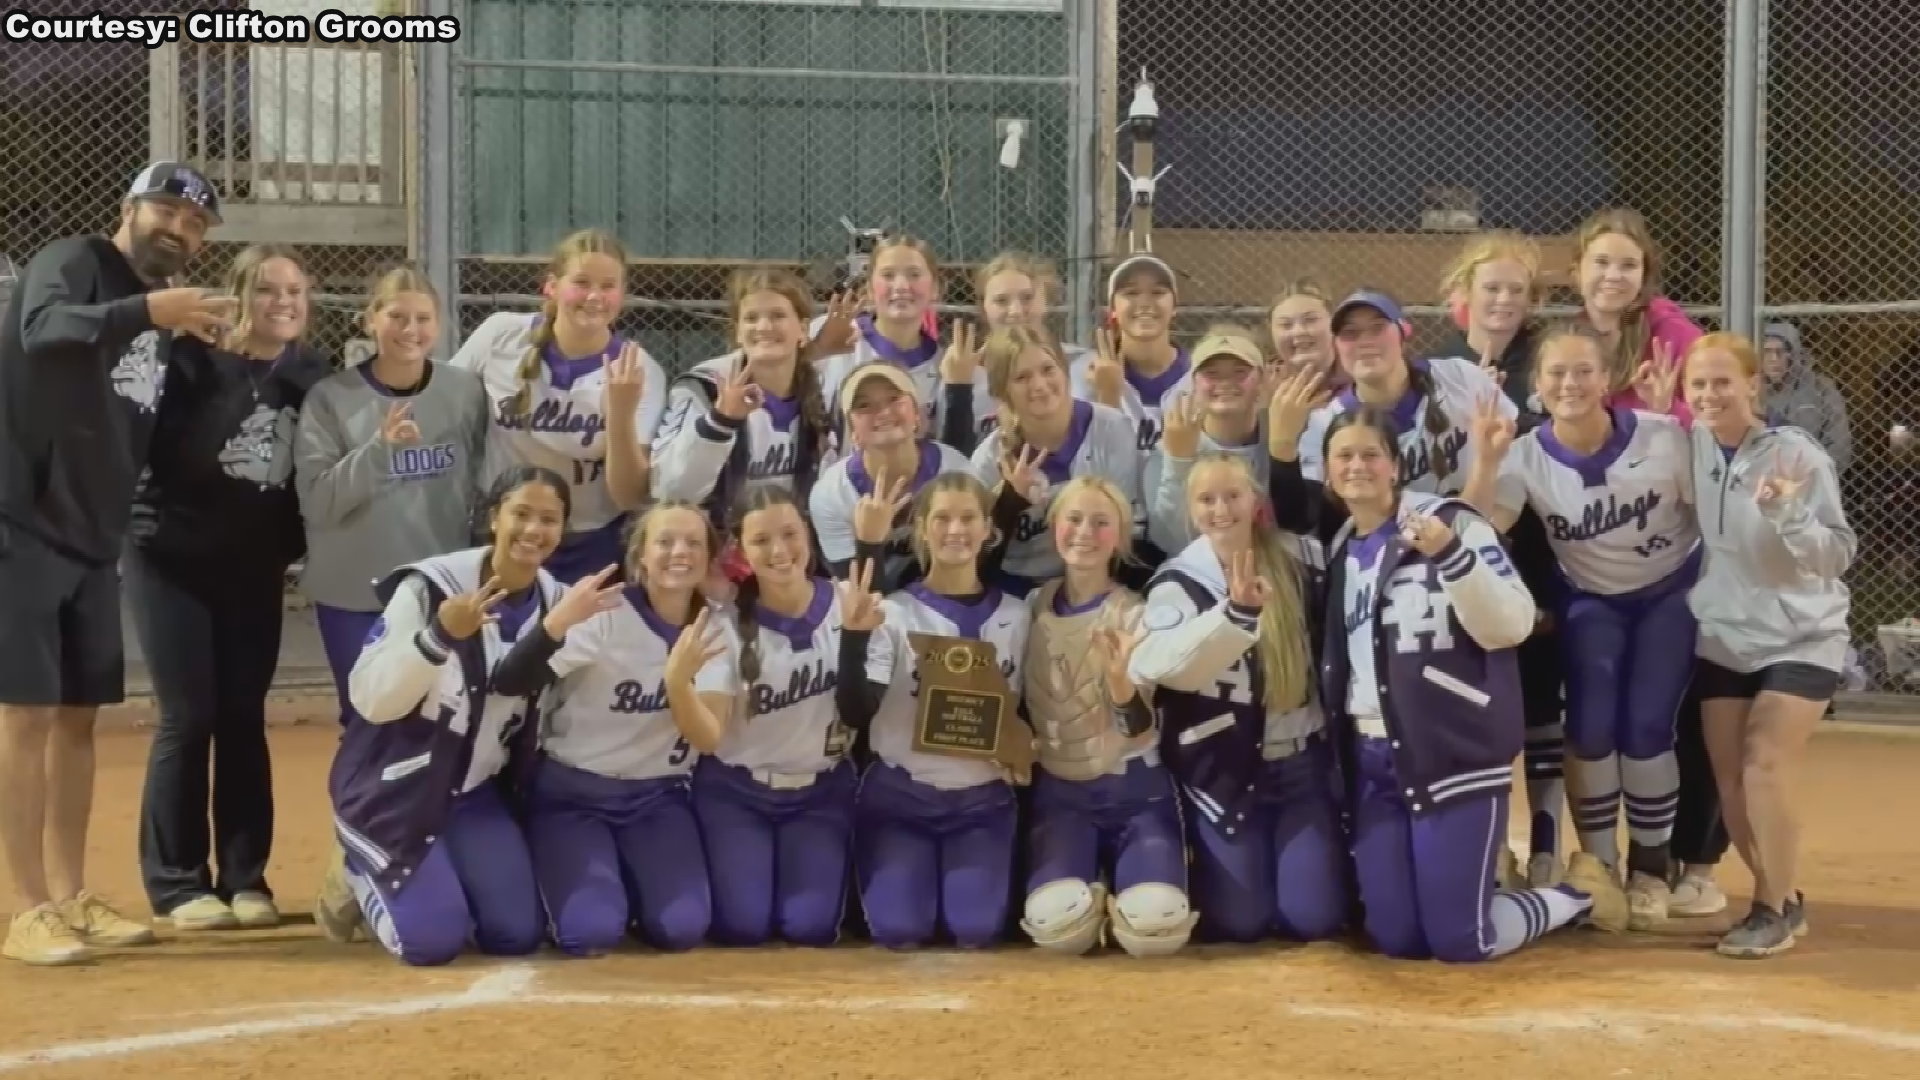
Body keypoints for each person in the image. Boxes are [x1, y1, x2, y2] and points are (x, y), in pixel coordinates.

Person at [0, 161, 233, 966]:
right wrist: (147, 310)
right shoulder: (73, 262)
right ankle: (24, 905)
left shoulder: (165, 328)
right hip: (20, 524)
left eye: (195, 222)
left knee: (76, 720)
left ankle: (69, 897)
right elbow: (42, 331)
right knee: (24, 714)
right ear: (127, 207)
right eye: (166, 209)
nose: (179, 228)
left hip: (93, 542)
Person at [1317, 408, 1628, 960]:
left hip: (1451, 750)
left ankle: (1575, 895)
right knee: (1397, 938)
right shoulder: (1342, 551)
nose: (1358, 466)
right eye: (1344, 455)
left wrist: (1450, 555)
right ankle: (1475, 885)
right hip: (1372, 762)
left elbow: (1512, 622)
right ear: (1327, 473)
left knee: (1462, 941)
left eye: (1371, 454)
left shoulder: (1451, 523)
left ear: (1395, 465)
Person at [1458, 325, 1698, 929]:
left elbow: (1714, 512)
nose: (1570, 384)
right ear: (1536, 386)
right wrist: (1485, 462)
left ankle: (1650, 866)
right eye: (1556, 373)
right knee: (1590, 731)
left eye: (1583, 371)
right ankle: (1598, 867)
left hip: (1669, 592)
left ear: (1608, 378)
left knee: (1645, 726)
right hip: (1593, 599)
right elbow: (1481, 529)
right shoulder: (1527, 453)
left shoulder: (1663, 435)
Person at [125, 243, 332, 932]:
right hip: (172, 559)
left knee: (244, 715)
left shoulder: (312, 376)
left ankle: (245, 877)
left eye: (295, 292)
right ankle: (178, 881)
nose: (283, 303)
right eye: (268, 290)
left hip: (255, 567)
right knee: (190, 716)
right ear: (241, 295)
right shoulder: (189, 359)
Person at [326, 466, 570, 966]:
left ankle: (446, 872)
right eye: (520, 514)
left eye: (549, 519)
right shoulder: (429, 588)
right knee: (430, 943)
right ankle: (354, 870)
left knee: (515, 934)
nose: (533, 531)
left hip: (474, 794)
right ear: (492, 517)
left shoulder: (560, 603)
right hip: (399, 791)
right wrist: (437, 637)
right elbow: (370, 699)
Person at [491, 501, 729, 954]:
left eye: (694, 543)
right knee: (591, 933)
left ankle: (629, 885)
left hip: (656, 797)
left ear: (708, 557)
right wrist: (556, 624)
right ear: (640, 555)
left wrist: (678, 682)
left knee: (681, 929)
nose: (680, 552)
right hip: (574, 793)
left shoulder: (714, 628)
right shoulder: (606, 615)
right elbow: (514, 680)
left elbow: (708, 737)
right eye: (665, 541)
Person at [1684, 332, 1855, 958]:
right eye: (1698, 384)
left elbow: (1837, 554)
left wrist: (1790, 516)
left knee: (1763, 766)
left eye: (1723, 382)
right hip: (1726, 634)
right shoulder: (1693, 446)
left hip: (1802, 632)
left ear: (1753, 385)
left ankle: (1769, 909)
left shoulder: (1796, 455)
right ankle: (1780, 895)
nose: (1710, 395)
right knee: (1729, 781)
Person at [1129, 453, 1347, 944]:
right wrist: (1235, 616)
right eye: (1207, 499)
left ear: (1257, 502)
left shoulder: (1302, 559)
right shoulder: (1178, 581)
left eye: (1233, 495)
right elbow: (1158, 664)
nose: (1220, 509)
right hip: (1224, 770)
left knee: (1312, 920)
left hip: (1301, 763)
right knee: (1239, 923)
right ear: (1191, 510)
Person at [837, 472, 1033, 950]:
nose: (955, 530)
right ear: (921, 529)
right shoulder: (895, 613)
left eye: (968, 518)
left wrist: (1027, 746)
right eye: (941, 518)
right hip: (903, 798)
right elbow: (857, 710)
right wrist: (855, 638)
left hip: (982, 800)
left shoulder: (1018, 613)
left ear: (989, 529)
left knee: (976, 931)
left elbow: (1025, 708)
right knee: (901, 932)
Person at [296, 266, 490, 728]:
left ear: (438, 325)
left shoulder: (463, 392)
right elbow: (320, 502)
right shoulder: (332, 398)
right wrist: (381, 451)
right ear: (370, 321)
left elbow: (486, 484)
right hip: (354, 592)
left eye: (423, 318)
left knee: (442, 718)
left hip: (437, 589)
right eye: (397, 316)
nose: (410, 330)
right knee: (366, 718)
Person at [1428, 232, 1565, 887]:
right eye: (1491, 288)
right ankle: (1482, 845)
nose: (1503, 300)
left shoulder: (1548, 361)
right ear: (1464, 297)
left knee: (1540, 697)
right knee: (1469, 698)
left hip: (1532, 546)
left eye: (1516, 290)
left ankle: (1544, 844)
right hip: (1465, 552)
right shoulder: (1441, 364)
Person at [1019, 477, 1191, 956]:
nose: (1084, 533)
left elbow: (1136, 726)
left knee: (1155, 927)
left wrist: (1120, 686)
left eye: (1101, 523)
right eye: (1073, 519)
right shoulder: (1032, 606)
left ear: (1119, 537)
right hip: (1061, 792)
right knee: (1057, 927)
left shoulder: (1136, 613)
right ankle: (1086, 891)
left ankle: (1122, 890)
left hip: (1133, 791)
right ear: (1054, 527)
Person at [686, 489, 863, 946]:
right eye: (761, 540)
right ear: (741, 553)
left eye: (790, 534)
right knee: (743, 927)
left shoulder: (851, 604)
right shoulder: (722, 623)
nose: (780, 551)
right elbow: (710, 732)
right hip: (737, 793)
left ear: (809, 533)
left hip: (820, 793)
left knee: (811, 928)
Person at [450, 229, 663, 584]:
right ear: (551, 286)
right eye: (581, 282)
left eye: (608, 285)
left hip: (589, 540)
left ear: (622, 295)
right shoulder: (500, 335)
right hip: (504, 532)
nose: (595, 296)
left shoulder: (639, 370)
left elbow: (629, 496)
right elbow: (444, 406)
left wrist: (621, 416)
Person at [1271, 288, 1511, 544]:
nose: (1365, 342)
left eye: (1377, 328)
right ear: (1337, 345)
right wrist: (1281, 447)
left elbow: (1513, 463)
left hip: (1480, 534)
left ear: (1404, 332)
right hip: (1385, 562)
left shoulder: (1460, 377)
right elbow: (1303, 522)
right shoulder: (1325, 424)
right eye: (1350, 333)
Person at [651, 270, 834, 521]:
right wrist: (719, 423)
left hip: (793, 545)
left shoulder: (824, 390)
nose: (764, 327)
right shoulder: (704, 388)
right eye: (751, 318)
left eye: (778, 315)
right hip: (719, 544)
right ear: (737, 331)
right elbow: (671, 492)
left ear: (803, 329)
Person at [968, 327, 1139, 594]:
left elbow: (1128, 536)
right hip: (1016, 586)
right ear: (1002, 392)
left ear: (1065, 371)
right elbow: (976, 561)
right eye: (1021, 377)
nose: (1039, 385)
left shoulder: (1111, 428)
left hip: (1096, 576)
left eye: (1048, 369)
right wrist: (1008, 505)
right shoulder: (990, 459)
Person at [815, 234, 992, 450]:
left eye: (914, 274)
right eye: (888, 275)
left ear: (935, 288)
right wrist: (814, 351)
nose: (901, 286)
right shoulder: (835, 334)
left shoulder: (951, 365)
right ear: (869, 289)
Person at [808, 365, 972, 587]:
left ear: (917, 414)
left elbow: (971, 572)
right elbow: (861, 596)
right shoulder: (831, 494)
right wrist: (869, 542)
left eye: (894, 399)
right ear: (852, 430)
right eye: (864, 405)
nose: (884, 412)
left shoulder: (956, 469)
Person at [1146, 328, 1274, 557]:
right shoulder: (1174, 442)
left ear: (1262, 381)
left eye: (1240, 372)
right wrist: (1178, 461)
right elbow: (1167, 541)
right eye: (1212, 374)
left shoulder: (1277, 434)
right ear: (1193, 384)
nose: (1225, 382)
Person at [1571, 208, 1701, 423]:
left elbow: (1716, 429)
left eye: (1628, 265)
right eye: (1601, 262)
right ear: (1577, 270)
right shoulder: (1568, 340)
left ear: (1643, 275)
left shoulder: (1676, 337)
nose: (1613, 276)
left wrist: (1668, 408)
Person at [1761, 322, 1852, 475]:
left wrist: (1817, 477)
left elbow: (1839, 443)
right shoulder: (1750, 389)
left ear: (1794, 354)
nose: (1774, 358)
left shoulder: (1821, 387)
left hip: (1812, 475)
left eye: (1781, 351)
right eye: (1767, 352)